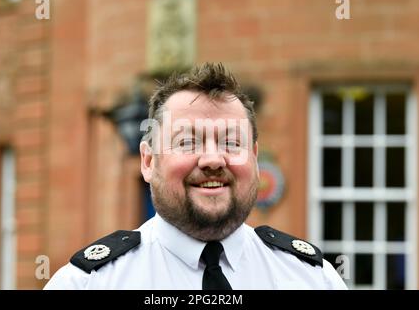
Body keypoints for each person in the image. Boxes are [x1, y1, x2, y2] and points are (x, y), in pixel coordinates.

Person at [44, 63, 347, 290]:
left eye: (231, 142)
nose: (213, 159)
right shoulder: (87, 284)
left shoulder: (312, 279)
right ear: (148, 161)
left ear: (254, 159)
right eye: (188, 142)